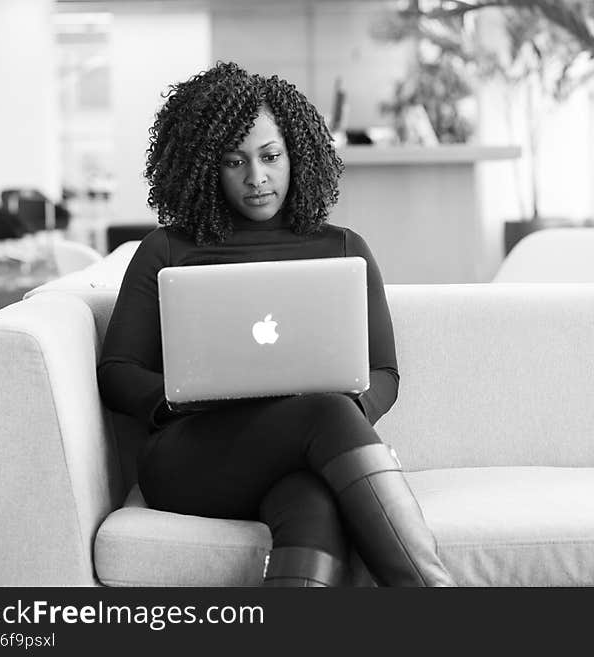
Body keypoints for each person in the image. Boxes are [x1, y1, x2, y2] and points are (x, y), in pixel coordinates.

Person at [97, 62, 455, 587]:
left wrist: (335, 424)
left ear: (297, 154)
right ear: (204, 168)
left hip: (306, 452)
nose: (256, 178)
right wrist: (184, 395)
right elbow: (118, 370)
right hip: (192, 457)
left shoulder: (343, 248)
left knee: (312, 503)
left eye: (270, 157)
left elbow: (383, 373)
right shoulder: (168, 250)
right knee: (327, 418)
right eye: (234, 162)